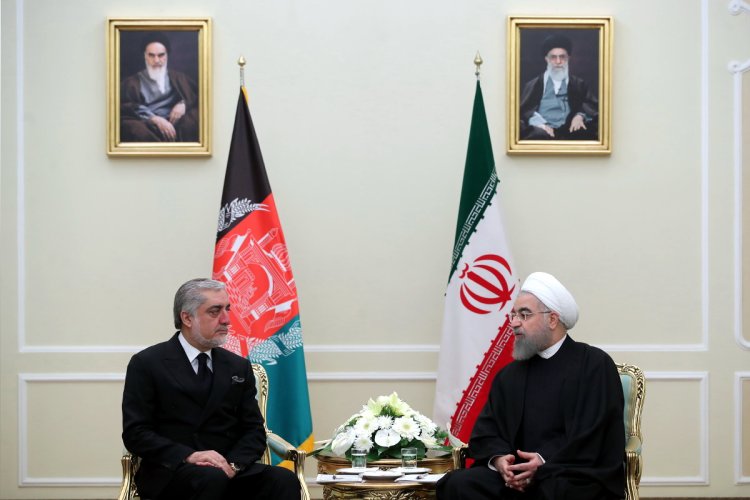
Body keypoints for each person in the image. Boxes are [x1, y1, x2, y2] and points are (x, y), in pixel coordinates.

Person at [436, 272, 625, 499]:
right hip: (514, 479)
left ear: (552, 320)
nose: (514, 323)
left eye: (524, 315)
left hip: (570, 474)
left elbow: (594, 435)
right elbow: (487, 432)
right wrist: (500, 460)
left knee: (554, 491)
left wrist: (543, 461)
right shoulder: (509, 375)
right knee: (457, 484)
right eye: (513, 315)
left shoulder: (593, 365)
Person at [121, 278, 301, 500]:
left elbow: (254, 431)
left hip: (228, 468)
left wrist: (233, 465)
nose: (226, 319)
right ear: (187, 318)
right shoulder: (147, 363)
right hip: (172, 470)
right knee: (209, 479)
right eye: (215, 311)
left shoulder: (238, 366)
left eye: (227, 309)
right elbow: (136, 433)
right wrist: (190, 456)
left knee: (283, 479)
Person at [120, 33, 199, 142]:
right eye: (151, 55)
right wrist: (154, 119)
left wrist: (183, 104)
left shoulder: (179, 78)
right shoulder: (131, 83)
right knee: (134, 130)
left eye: (161, 55)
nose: (156, 60)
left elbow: (196, 96)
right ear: (145, 56)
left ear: (167, 56)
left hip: (176, 123)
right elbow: (126, 106)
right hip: (147, 125)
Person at [519, 34, 598, 140]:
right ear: (546, 59)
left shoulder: (578, 84)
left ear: (568, 58)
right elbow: (525, 111)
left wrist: (580, 116)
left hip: (570, 129)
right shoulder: (534, 84)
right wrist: (540, 125)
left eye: (562, 57)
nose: (558, 62)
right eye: (553, 57)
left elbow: (591, 106)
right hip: (542, 131)